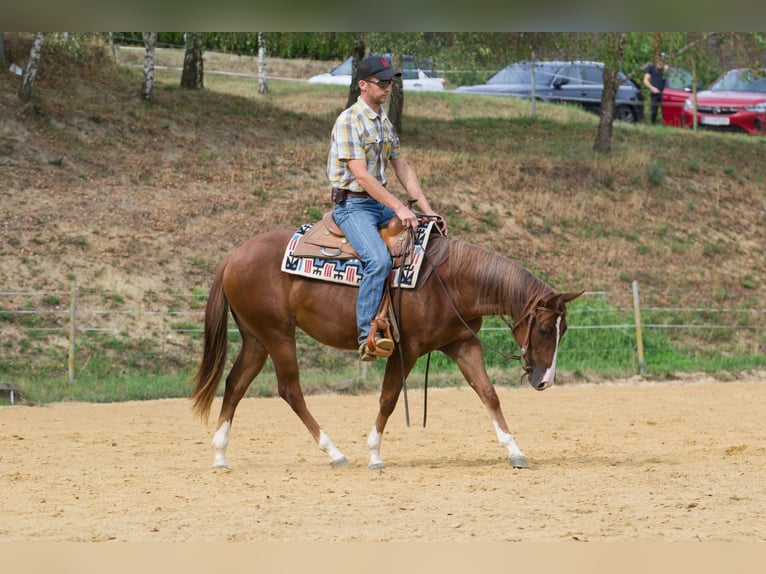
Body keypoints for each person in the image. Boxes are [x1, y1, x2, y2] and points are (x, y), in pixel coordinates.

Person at [327, 55, 443, 361]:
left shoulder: (383, 121)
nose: (388, 87)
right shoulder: (349, 121)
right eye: (382, 82)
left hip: (378, 203)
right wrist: (399, 208)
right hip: (352, 206)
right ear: (363, 85)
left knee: (427, 239)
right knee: (377, 260)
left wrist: (427, 211)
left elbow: (402, 168)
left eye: (390, 81)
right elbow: (362, 176)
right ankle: (367, 335)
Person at [643, 52, 669, 125]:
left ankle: (665, 126)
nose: (661, 60)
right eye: (660, 58)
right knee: (653, 111)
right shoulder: (651, 67)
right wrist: (652, 88)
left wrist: (666, 70)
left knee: (666, 112)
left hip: (665, 94)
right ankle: (653, 125)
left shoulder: (667, 68)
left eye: (663, 59)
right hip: (655, 92)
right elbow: (645, 80)